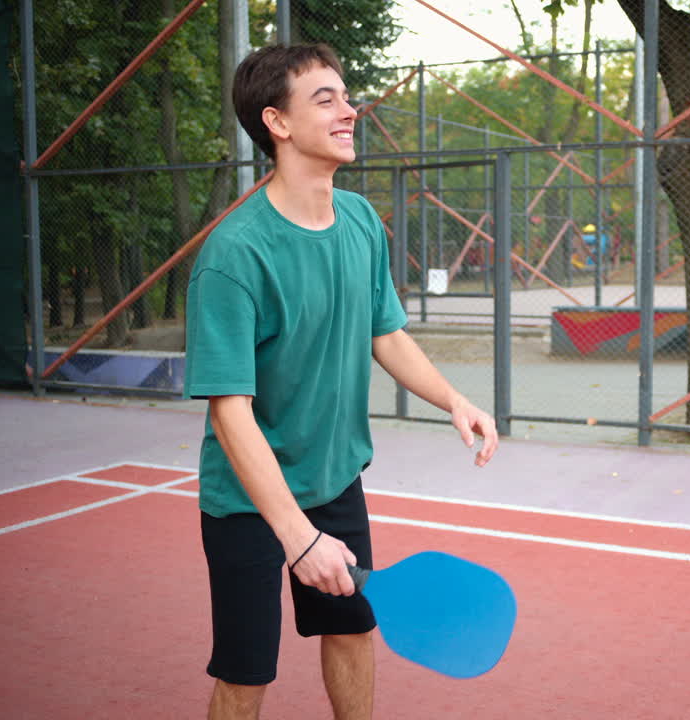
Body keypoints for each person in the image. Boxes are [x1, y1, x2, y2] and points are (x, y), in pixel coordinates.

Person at [184, 43, 498, 720]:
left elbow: (383, 332)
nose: (348, 110)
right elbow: (229, 414)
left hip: (333, 479)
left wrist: (454, 399)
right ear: (278, 123)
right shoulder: (233, 256)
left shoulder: (358, 222)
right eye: (325, 100)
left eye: (346, 95)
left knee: (352, 632)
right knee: (246, 671)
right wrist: (296, 538)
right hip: (247, 497)